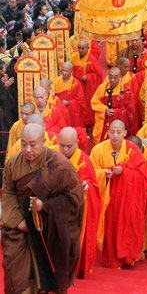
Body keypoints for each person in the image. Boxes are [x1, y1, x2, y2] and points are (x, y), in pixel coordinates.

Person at [1, 123, 84, 294]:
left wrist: (44, 206)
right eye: (23, 144)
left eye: (33, 144)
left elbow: (74, 200)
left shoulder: (60, 166)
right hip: (21, 227)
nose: (28, 149)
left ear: (44, 141)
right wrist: (18, 222)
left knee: (50, 276)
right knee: (15, 271)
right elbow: (7, 191)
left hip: (50, 228)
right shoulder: (14, 163)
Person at [90, 120, 147, 269]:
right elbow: (90, 174)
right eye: (112, 132)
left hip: (126, 199)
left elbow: (143, 174)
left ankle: (128, 258)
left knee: (127, 226)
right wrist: (105, 174)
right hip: (108, 197)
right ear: (107, 132)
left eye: (118, 132)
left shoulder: (132, 149)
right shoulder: (98, 150)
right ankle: (112, 259)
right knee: (110, 228)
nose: (115, 136)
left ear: (124, 133)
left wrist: (124, 172)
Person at [57, 127, 101, 279]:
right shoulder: (53, 156)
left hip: (77, 209)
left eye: (70, 146)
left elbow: (93, 184)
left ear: (77, 143)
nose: (65, 149)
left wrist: (86, 187)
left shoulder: (84, 160)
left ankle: (76, 268)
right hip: (57, 207)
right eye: (62, 145)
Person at [91, 66, 136, 144]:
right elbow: (94, 101)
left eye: (115, 77)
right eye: (110, 77)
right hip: (104, 119)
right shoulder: (102, 87)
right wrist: (104, 109)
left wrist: (116, 112)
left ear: (120, 77)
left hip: (119, 121)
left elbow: (130, 109)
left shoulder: (125, 90)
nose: (112, 80)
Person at [71, 40, 103, 125]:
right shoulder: (74, 57)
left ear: (88, 48)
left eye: (82, 48)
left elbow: (98, 74)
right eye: (79, 48)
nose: (80, 50)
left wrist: (88, 77)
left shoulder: (92, 59)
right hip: (76, 86)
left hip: (87, 87)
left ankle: (88, 123)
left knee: (87, 104)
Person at [54, 62, 88, 129]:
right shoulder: (56, 81)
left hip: (71, 113)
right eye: (62, 70)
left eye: (66, 71)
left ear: (72, 71)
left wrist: (69, 102)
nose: (64, 73)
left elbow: (80, 101)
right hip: (59, 109)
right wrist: (58, 102)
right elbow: (52, 96)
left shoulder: (76, 84)